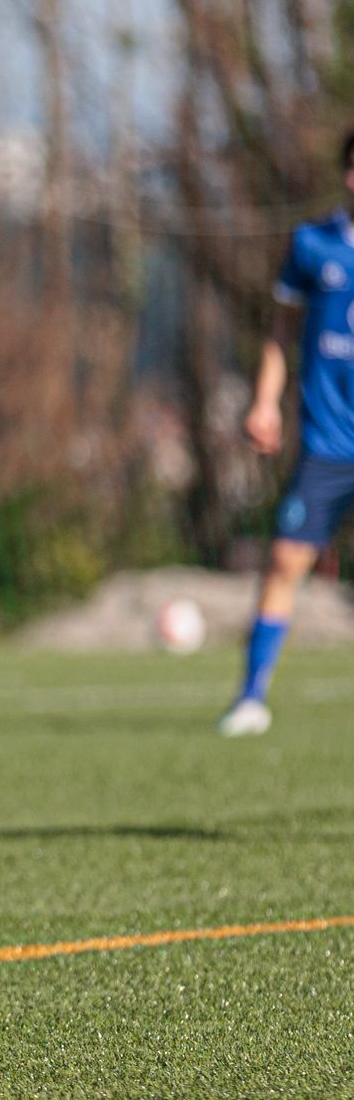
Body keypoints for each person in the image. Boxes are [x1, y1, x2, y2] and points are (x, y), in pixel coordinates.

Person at [218, 131, 354, 737]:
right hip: (327, 441)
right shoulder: (311, 243)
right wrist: (265, 401)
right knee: (284, 559)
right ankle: (251, 696)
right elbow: (280, 330)